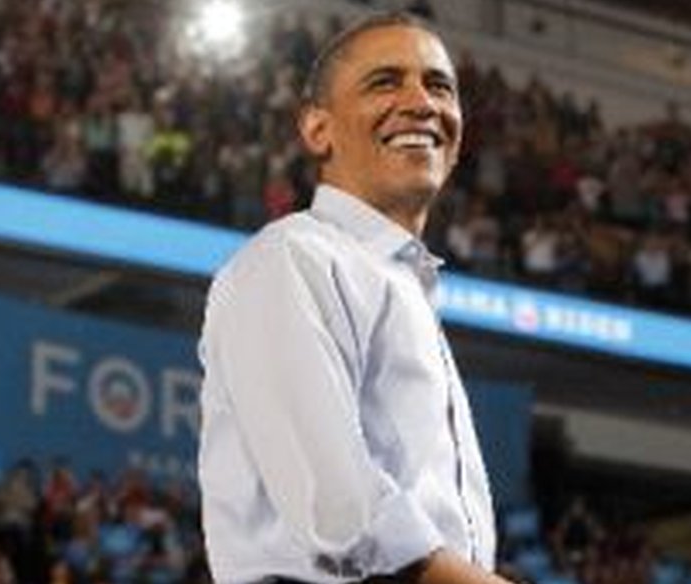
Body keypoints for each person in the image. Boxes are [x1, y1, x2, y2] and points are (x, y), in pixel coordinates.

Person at [198, 12, 509, 584]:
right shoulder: (294, 257)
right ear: (318, 129)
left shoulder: (401, 286)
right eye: (384, 82)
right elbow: (338, 508)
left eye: (439, 86)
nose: (420, 102)